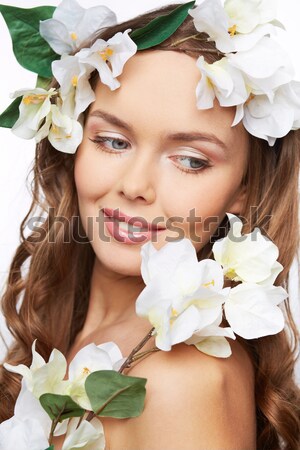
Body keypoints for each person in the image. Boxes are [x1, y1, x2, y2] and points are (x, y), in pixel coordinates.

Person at [0, 1, 299, 449]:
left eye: (191, 160)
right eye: (113, 141)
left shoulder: (184, 379)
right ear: (73, 142)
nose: (135, 186)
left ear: (245, 186)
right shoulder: (78, 330)